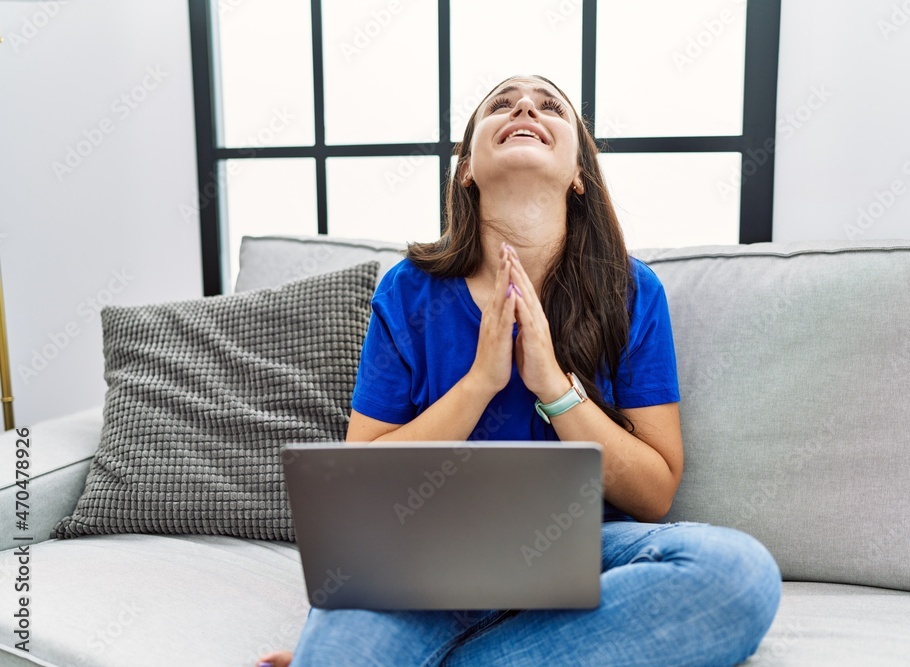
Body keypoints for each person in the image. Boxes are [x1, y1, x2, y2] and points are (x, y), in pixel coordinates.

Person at [256, 74, 781, 667]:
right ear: (466, 170)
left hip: (585, 554)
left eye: (548, 105)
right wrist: (480, 381)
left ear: (578, 172)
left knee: (737, 574)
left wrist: (552, 387)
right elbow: (360, 483)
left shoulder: (631, 290)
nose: (525, 107)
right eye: (500, 106)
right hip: (426, 560)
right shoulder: (409, 291)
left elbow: (655, 492)